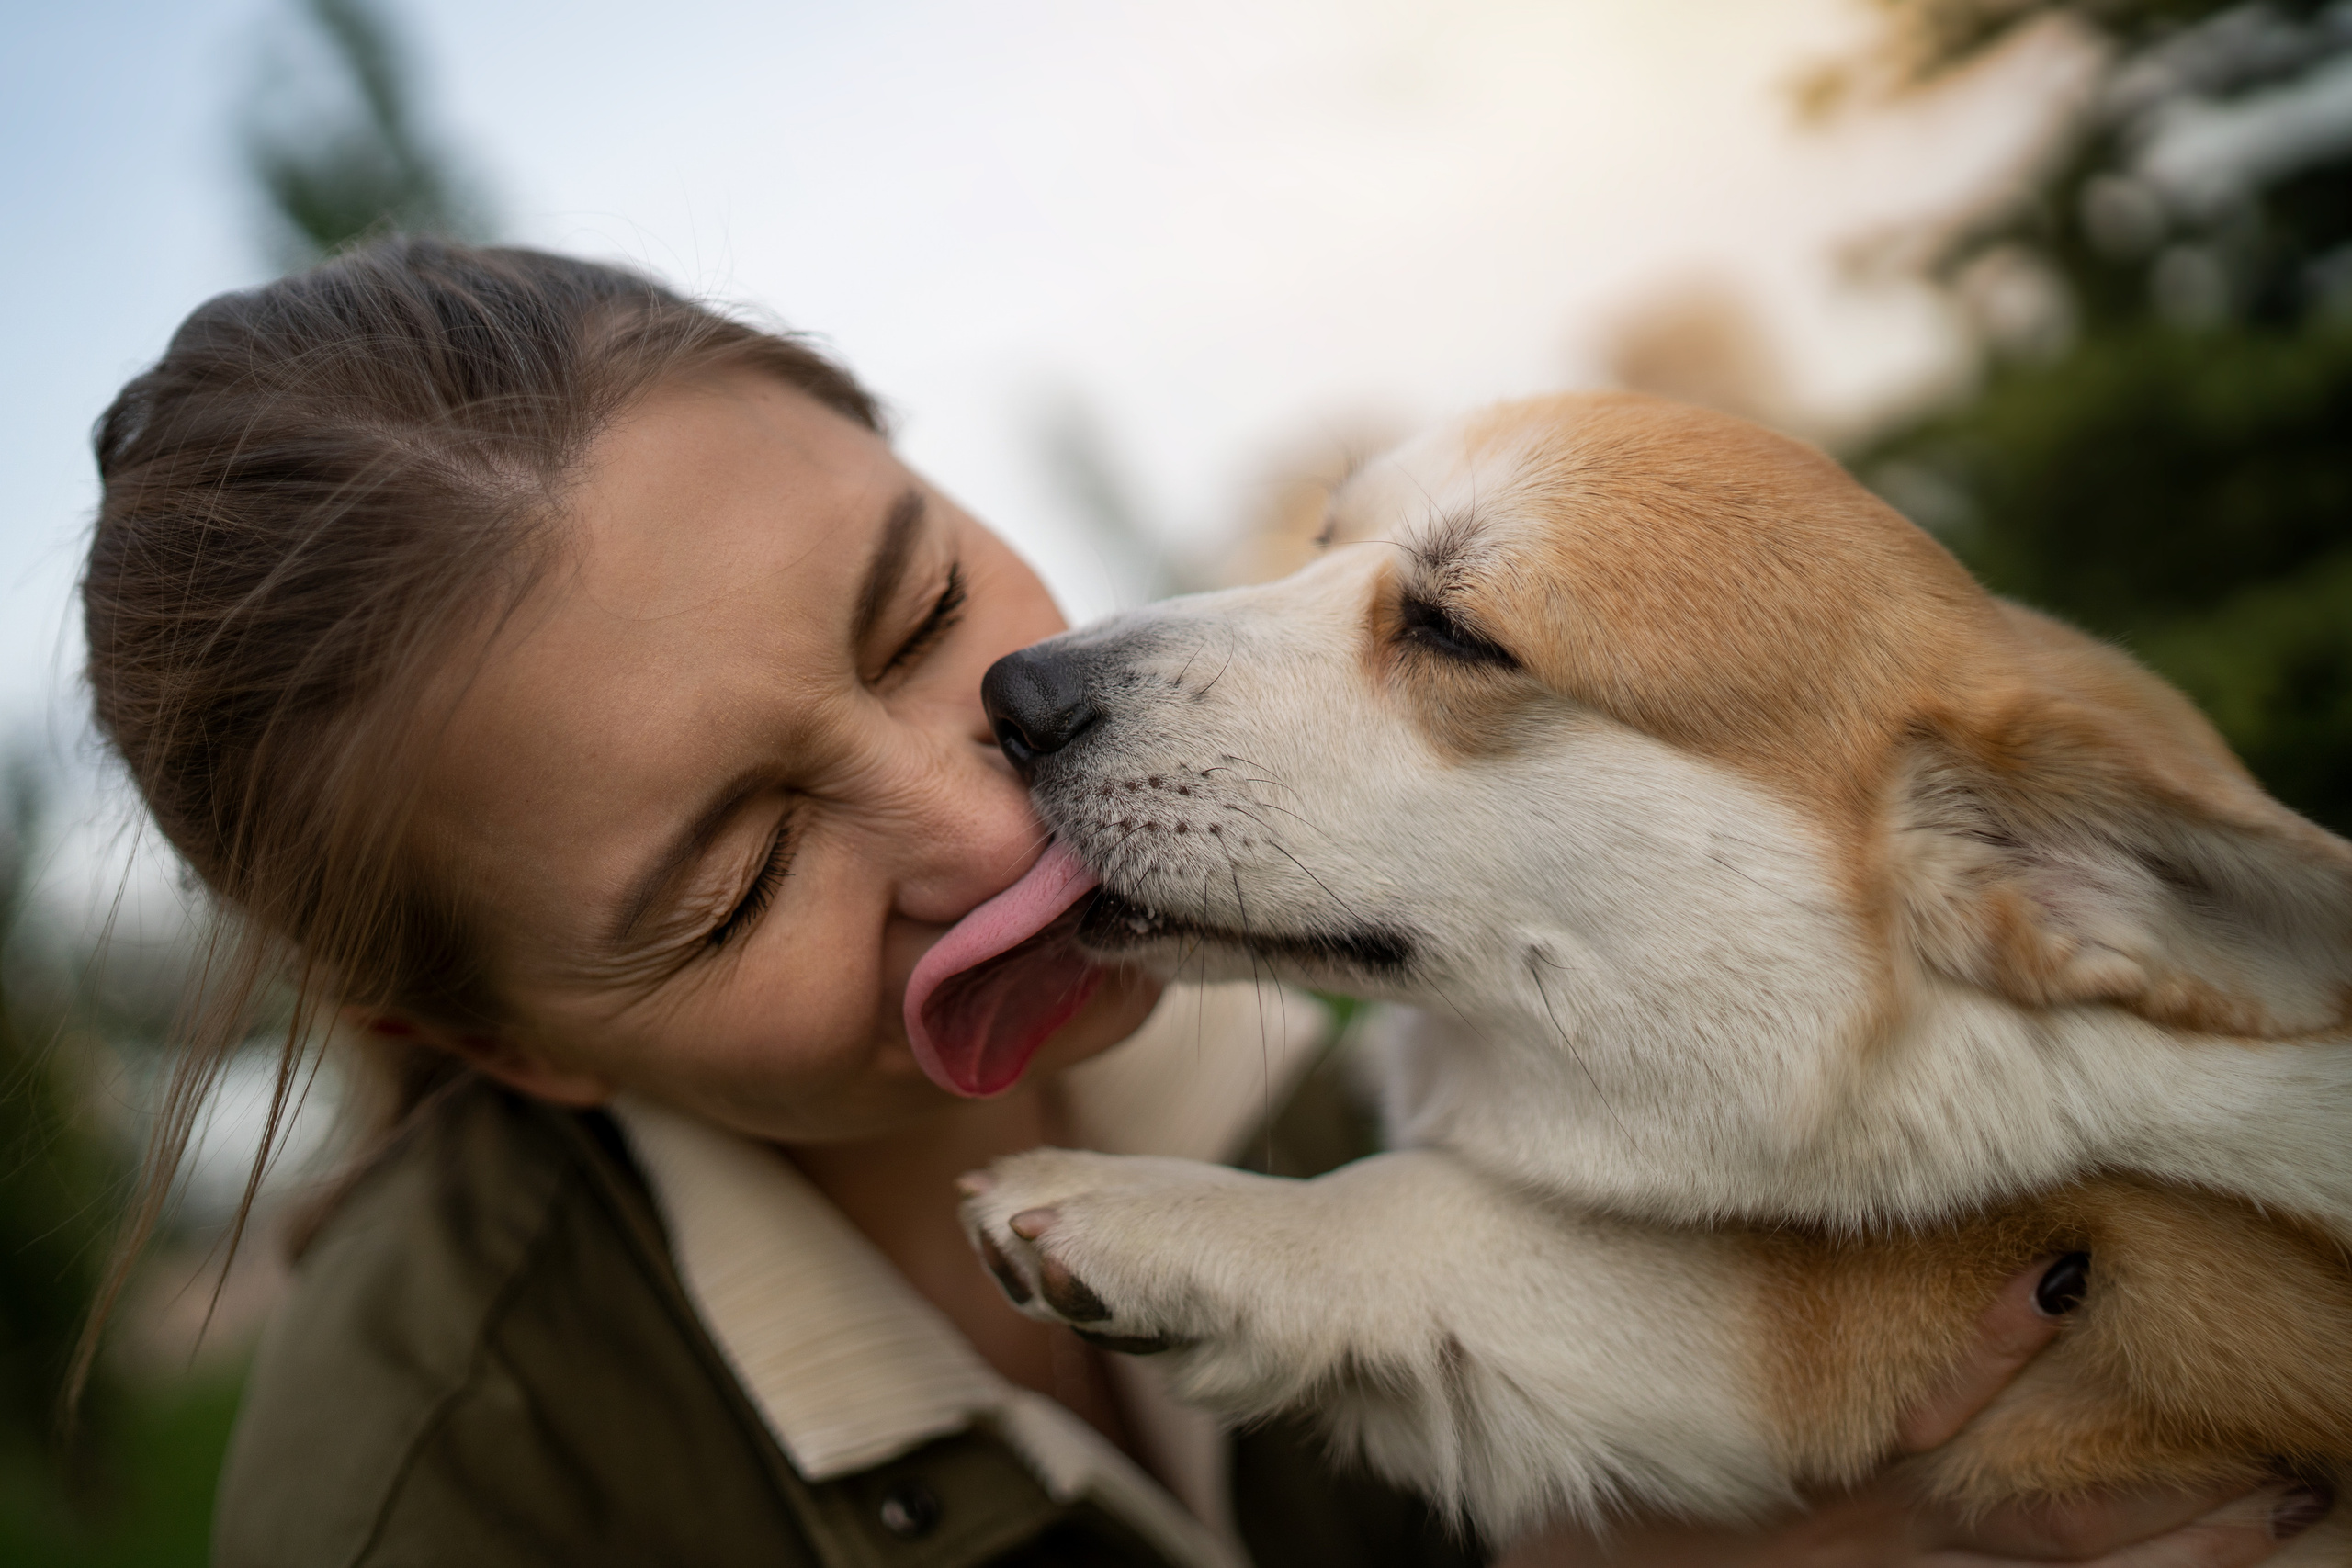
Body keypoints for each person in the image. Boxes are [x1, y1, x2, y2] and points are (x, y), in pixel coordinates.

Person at [79, 238, 2327, 1567]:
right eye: (738, 867)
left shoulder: (1354, 1006)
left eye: (917, 607)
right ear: (508, 1040)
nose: (986, 823)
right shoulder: (445, 1497)